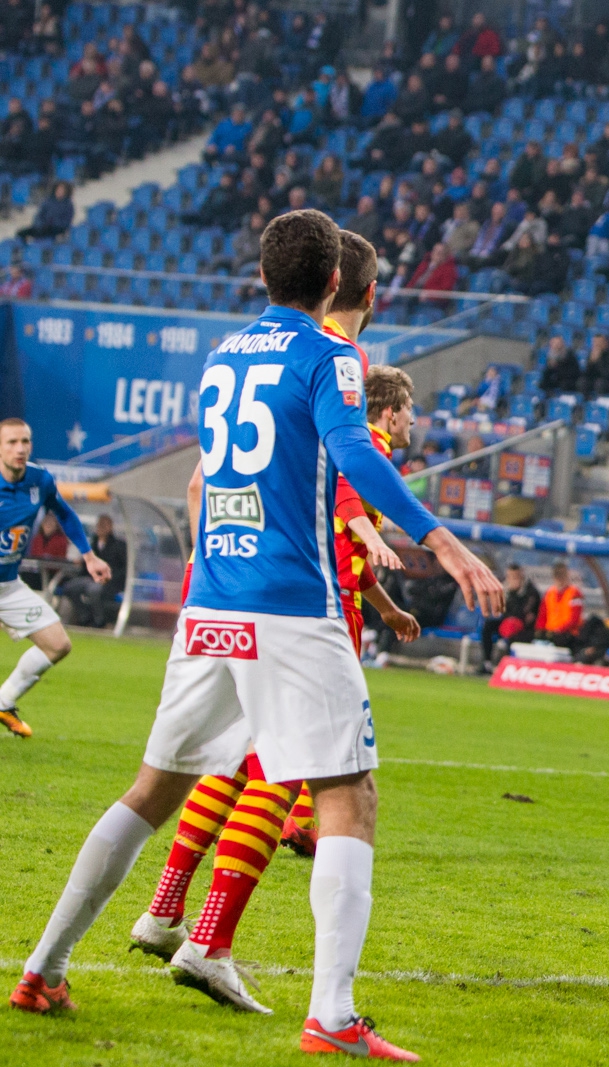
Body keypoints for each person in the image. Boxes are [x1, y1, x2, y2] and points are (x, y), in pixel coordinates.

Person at [12, 212, 501, 1057]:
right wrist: (443, 538)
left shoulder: (224, 356)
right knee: (348, 793)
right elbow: (353, 447)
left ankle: (42, 966)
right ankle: (334, 1015)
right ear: (338, 287)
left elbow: (217, 477)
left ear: (267, 276)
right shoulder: (331, 356)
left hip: (213, 605)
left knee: (152, 789)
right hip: (292, 604)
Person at [0, 419, 106, 737]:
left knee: (57, 644)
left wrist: (89, 556)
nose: (20, 449)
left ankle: (3, 703)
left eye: (25, 442)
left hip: (8, 587)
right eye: (11, 443)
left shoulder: (39, 480)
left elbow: (64, 514)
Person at [56, 514, 125, 628]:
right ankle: (84, 616)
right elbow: (86, 565)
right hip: (90, 578)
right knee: (70, 587)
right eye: (99, 525)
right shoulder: (92, 544)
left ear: (110, 527)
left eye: (104, 525)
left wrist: (108, 578)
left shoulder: (119, 545)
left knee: (94, 590)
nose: (100, 528)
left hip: (109, 582)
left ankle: (99, 620)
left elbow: (123, 569)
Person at [479, 563, 540, 667]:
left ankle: (505, 666)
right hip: (506, 623)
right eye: (510, 577)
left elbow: (524, 614)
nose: (512, 579)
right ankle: (487, 662)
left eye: (515, 577)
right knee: (487, 626)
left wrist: (514, 595)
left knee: (513, 634)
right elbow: (500, 610)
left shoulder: (530, 591)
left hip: (524, 628)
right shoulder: (505, 589)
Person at [533, 560, 585, 647]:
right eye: (557, 576)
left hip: (568, 634)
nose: (560, 579)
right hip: (550, 633)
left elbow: (574, 620)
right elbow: (542, 615)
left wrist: (559, 630)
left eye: (562, 576)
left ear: (567, 576)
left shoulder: (574, 593)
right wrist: (539, 631)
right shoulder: (549, 593)